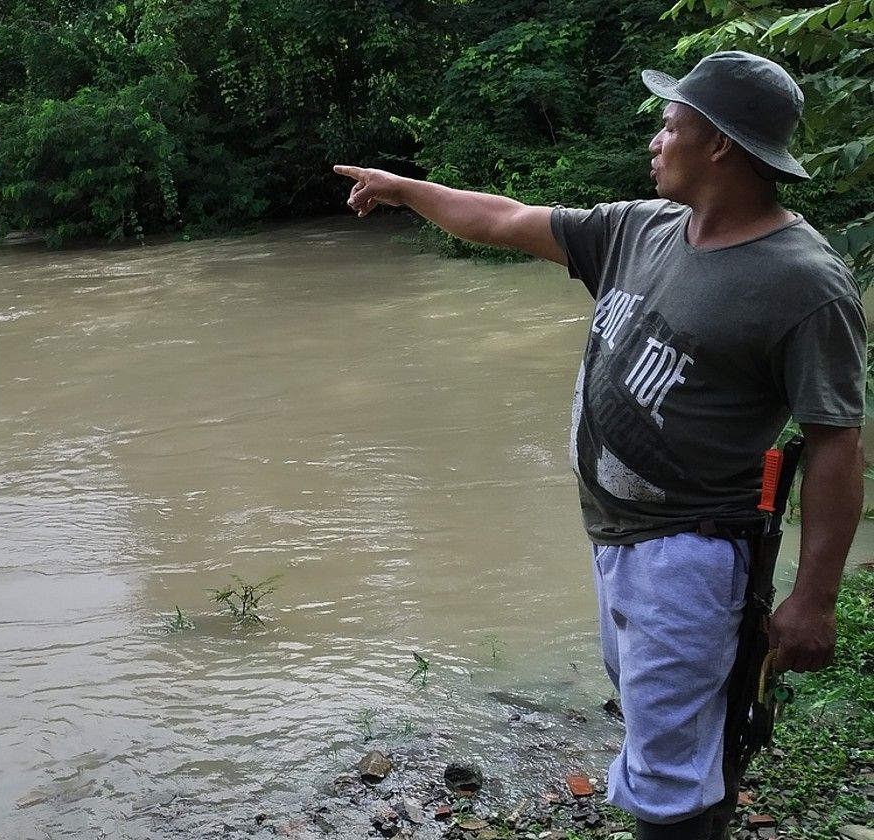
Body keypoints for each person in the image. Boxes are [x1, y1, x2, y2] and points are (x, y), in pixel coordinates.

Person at [335, 51, 866, 840]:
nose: (656, 139)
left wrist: (816, 598)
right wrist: (405, 187)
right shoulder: (642, 229)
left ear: (717, 142)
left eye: (670, 124)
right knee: (672, 737)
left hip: (691, 557)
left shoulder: (804, 282)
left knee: (669, 774)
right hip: (618, 542)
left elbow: (836, 444)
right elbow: (504, 220)